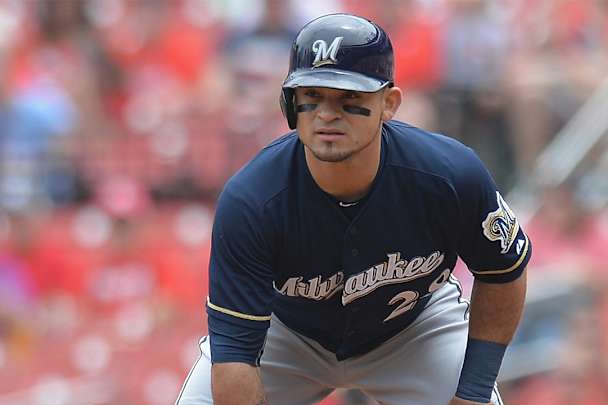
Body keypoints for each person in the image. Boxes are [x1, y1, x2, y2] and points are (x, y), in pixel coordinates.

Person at [176, 13, 531, 405]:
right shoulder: (252, 200)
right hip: (286, 335)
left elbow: (503, 273)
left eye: (350, 98)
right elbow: (235, 357)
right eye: (312, 96)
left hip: (413, 329)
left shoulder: (450, 176)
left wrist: (474, 392)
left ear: (389, 104)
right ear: (290, 104)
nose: (327, 113)